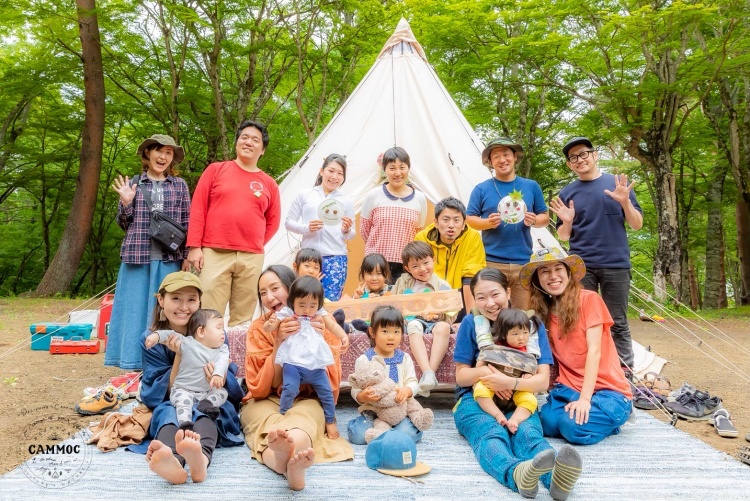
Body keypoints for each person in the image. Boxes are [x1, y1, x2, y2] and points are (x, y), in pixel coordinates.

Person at [453, 267, 582, 500]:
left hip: (521, 399)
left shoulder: (531, 325)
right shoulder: (471, 323)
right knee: (491, 434)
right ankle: (517, 474)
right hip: (476, 399)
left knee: (529, 435)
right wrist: (487, 374)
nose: (490, 303)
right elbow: (461, 376)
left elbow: (542, 381)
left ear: (508, 292)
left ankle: (557, 480)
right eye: (481, 297)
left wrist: (509, 382)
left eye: (495, 294)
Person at [240, 265, 353, 491]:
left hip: (305, 399)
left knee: (301, 426)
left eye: (275, 288)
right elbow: (261, 388)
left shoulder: (320, 320)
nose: (269, 297)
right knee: (267, 425)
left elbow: (328, 381)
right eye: (263, 293)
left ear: (292, 289)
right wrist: (278, 341)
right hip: (266, 400)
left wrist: (320, 340)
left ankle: (285, 462)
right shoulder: (260, 328)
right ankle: (289, 468)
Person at [135, 272, 243, 485]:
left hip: (208, 396)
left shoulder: (214, 332)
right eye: (176, 298)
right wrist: (179, 356)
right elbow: (160, 393)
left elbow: (227, 377)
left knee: (205, 410)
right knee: (169, 411)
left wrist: (218, 375)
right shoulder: (152, 338)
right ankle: (173, 461)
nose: (184, 307)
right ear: (161, 300)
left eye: (191, 300)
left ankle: (201, 458)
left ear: (199, 302)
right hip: (175, 397)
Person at [521, 247, 633, 446]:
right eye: (545, 271)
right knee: (546, 424)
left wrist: (585, 400)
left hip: (607, 391)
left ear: (568, 273)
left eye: (558, 269)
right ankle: (596, 419)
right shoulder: (542, 313)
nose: (553, 276)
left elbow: (594, 351)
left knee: (572, 428)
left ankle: (612, 421)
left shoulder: (589, 299)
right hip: (568, 389)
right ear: (537, 280)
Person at [549, 136, 643, 372]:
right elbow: (563, 235)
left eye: (584, 154)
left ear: (595, 155)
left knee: (617, 321)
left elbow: (637, 224)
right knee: (582, 320)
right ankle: (584, 371)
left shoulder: (617, 184)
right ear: (569, 164)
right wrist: (567, 221)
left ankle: (624, 374)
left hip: (616, 264)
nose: (579, 160)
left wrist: (625, 202)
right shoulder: (567, 192)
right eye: (573, 158)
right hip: (582, 266)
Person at [107, 134, 191, 371]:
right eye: (159, 151)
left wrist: (186, 255)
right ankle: (132, 361)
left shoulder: (179, 185)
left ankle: (166, 363)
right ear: (148, 153)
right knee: (133, 310)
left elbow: (187, 222)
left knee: (168, 312)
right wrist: (126, 203)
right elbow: (124, 224)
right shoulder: (134, 183)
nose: (163, 157)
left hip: (169, 258)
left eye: (168, 153)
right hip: (137, 258)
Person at [186, 120, 281, 326]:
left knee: (243, 317)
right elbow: (198, 207)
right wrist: (194, 246)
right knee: (208, 313)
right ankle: (205, 347)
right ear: (237, 142)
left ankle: (238, 347)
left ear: (263, 149)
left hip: (251, 256)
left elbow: (273, 221)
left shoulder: (269, 183)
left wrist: (254, 241)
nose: (248, 142)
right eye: (244, 137)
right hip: (214, 251)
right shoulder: (216, 170)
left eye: (255, 140)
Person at [467, 137, 549, 310]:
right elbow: (470, 219)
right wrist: (487, 223)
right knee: (492, 311)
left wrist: (534, 220)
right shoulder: (481, 189)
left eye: (506, 154)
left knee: (522, 314)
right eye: (496, 156)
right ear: (490, 162)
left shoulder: (531, 186)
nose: (502, 160)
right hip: (491, 262)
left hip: (523, 262)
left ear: (515, 157)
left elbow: (545, 218)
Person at [346, 305, 431, 444]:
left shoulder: (404, 358)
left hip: (399, 410)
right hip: (373, 410)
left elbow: (413, 382)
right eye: (385, 331)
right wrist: (362, 396)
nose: (391, 337)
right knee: (358, 436)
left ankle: (384, 433)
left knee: (410, 434)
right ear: (372, 332)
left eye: (396, 332)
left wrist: (407, 390)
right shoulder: (365, 360)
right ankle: (386, 433)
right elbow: (355, 388)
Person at [272, 276, 343, 439]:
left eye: (312, 305)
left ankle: (330, 421)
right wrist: (270, 325)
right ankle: (283, 414)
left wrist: (343, 336)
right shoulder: (289, 312)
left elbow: (332, 325)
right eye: (302, 305)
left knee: (327, 392)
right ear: (293, 302)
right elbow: (272, 325)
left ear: (319, 304)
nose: (307, 310)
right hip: (293, 362)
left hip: (315, 365)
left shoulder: (319, 314)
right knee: (289, 387)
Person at [285, 153, 355, 301]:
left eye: (340, 173)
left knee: (330, 301)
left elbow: (352, 234)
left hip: (336, 258)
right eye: (331, 171)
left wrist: (346, 230)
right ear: (322, 171)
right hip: (308, 258)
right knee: (306, 298)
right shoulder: (305, 195)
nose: (335, 177)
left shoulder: (345, 201)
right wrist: (307, 228)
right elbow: (289, 222)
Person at [145, 309, 230, 429]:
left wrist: (218, 374)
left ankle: (208, 404)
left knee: (222, 393)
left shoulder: (222, 349)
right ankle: (185, 423)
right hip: (184, 389)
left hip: (206, 392)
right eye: (219, 328)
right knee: (183, 402)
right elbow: (170, 335)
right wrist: (156, 336)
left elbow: (223, 362)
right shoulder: (188, 343)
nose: (223, 332)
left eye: (223, 328)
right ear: (201, 331)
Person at [393, 241, 455, 396]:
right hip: (412, 321)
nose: (422, 269)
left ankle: (429, 374)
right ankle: (427, 371)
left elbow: (451, 315)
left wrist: (437, 314)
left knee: (444, 327)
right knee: (414, 325)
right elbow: (393, 304)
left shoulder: (442, 285)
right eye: (415, 266)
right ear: (407, 268)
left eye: (426, 263)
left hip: (435, 322)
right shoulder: (402, 282)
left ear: (433, 260)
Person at [360, 146, 427, 282]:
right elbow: (364, 231)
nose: (397, 173)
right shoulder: (373, 195)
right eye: (392, 168)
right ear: (384, 170)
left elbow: (418, 232)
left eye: (402, 167)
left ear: (408, 168)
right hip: (377, 264)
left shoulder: (419, 198)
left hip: (406, 265)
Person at [473, 308, 541, 434]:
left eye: (525, 332)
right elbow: (480, 367)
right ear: (504, 334)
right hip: (493, 387)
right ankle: (497, 414)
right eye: (515, 334)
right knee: (480, 390)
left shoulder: (529, 354)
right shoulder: (493, 348)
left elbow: (533, 371)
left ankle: (515, 420)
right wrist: (486, 372)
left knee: (531, 400)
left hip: (516, 391)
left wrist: (528, 375)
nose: (521, 338)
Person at [415, 197, 486, 312]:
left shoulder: (473, 237)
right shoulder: (422, 238)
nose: (451, 225)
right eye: (446, 220)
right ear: (436, 222)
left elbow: (470, 276)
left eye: (456, 220)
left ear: (464, 224)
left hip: (460, 294)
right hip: (429, 292)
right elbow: (419, 273)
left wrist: (471, 315)